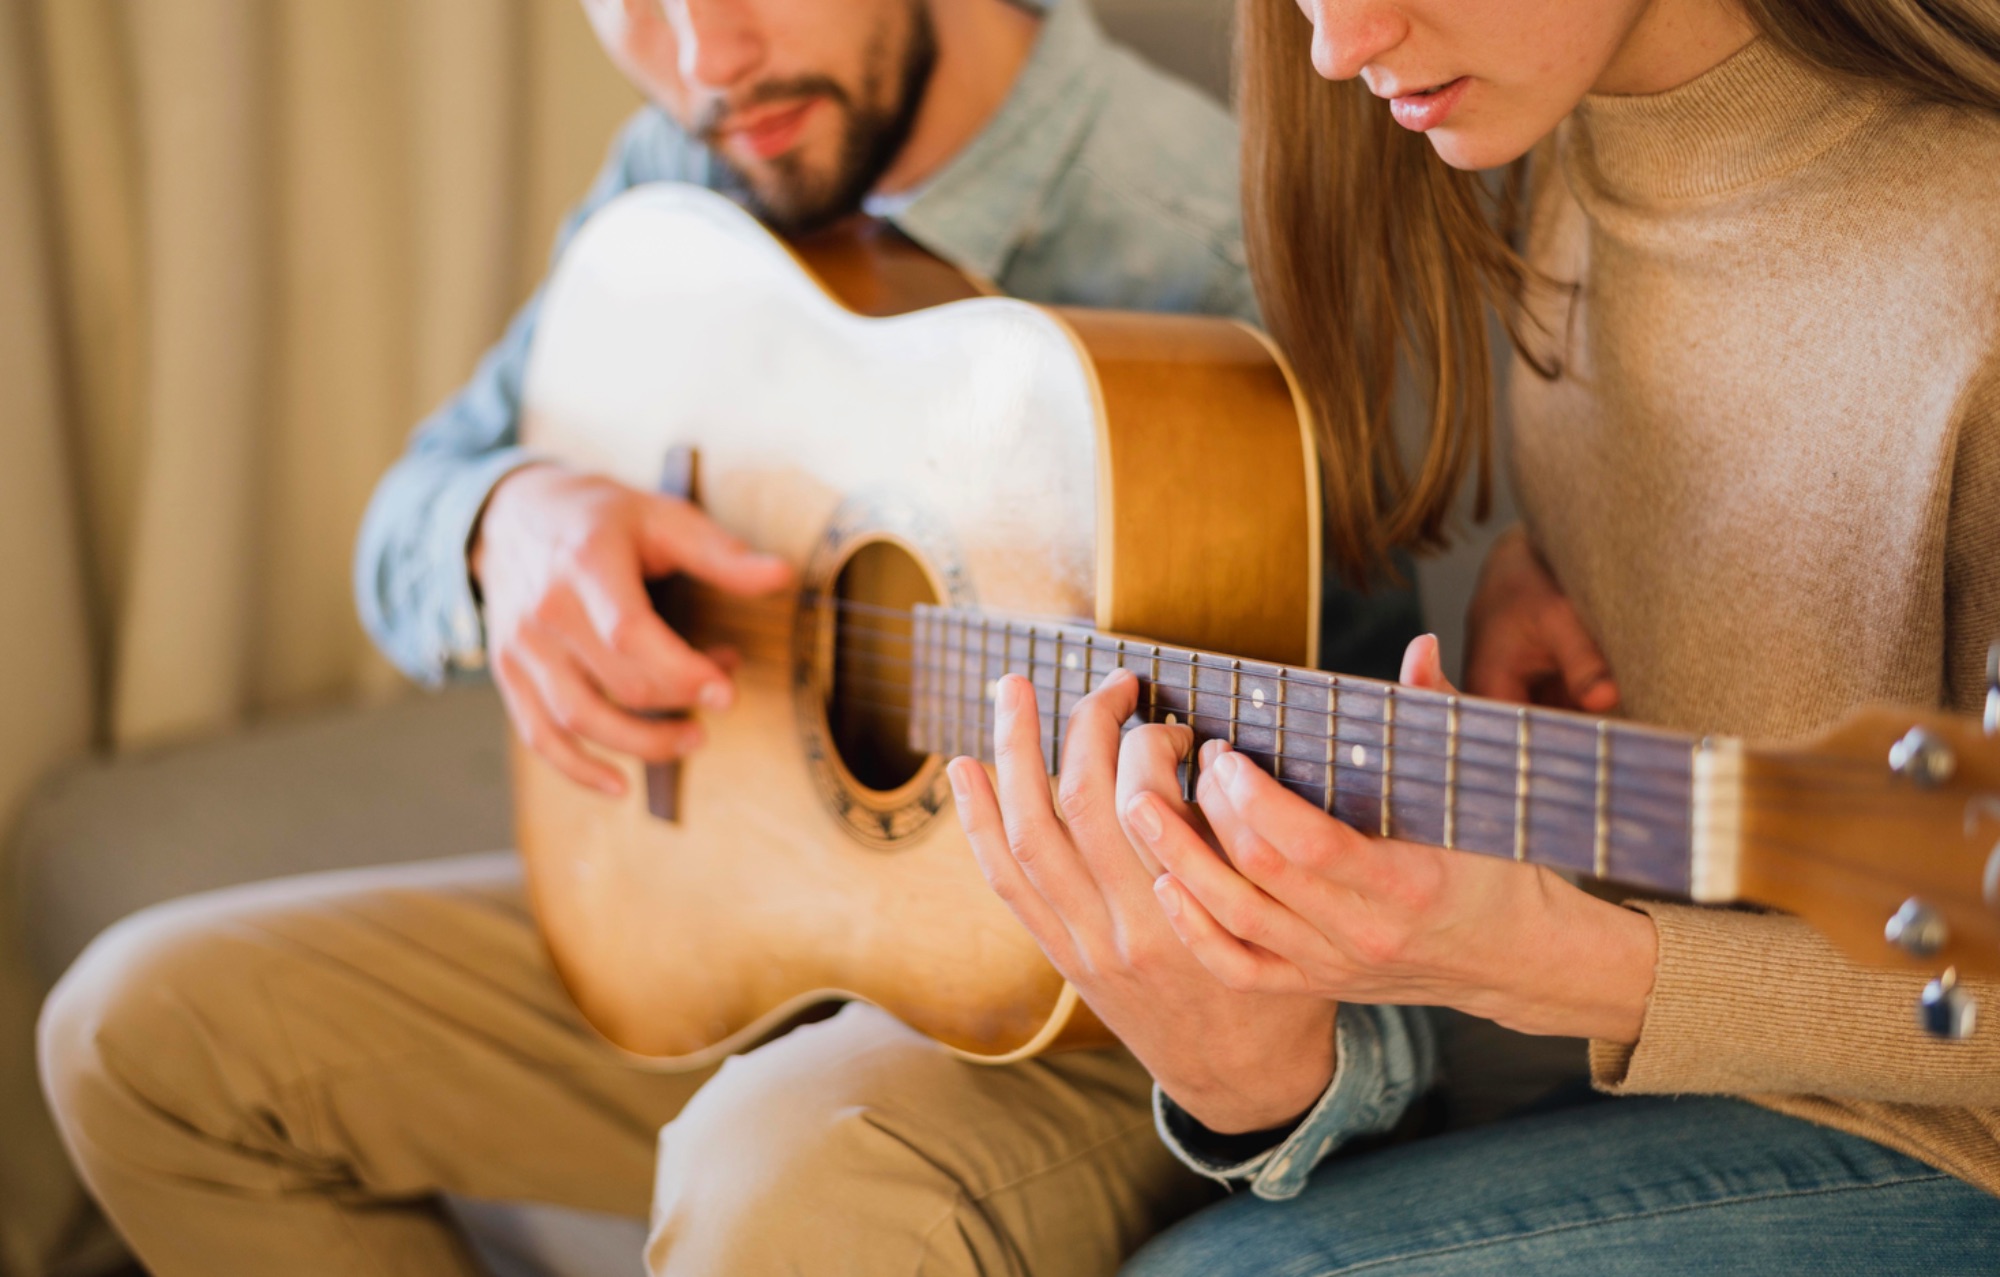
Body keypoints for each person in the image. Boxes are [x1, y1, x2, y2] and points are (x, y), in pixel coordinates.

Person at [35, 1, 1423, 1274]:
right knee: (139, 1037)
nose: (704, 57)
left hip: (1086, 1020)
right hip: (731, 923)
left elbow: (1395, 931)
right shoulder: (697, 172)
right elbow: (407, 511)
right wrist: (502, 520)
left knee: (774, 1171)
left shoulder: (1228, 251)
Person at [951, 0, 2000, 1270]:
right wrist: (1558, 558)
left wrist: (1567, 966)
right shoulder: (1558, 118)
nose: (1334, 46)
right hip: (1678, 1039)